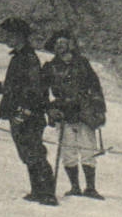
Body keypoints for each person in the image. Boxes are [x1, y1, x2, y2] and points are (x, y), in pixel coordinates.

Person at [0, 17, 57, 205]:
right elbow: (14, 86)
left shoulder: (28, 58)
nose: (7, 38)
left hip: (28, 114)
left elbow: (33, 88)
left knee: (34, 152)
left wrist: (25, 111)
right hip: (20, 112)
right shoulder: (19, 57)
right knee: (27, 153)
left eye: (10, 34)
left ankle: (48, 193)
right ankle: (37, 190)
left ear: (20, 36)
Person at [42, 29, 107, 199]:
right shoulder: (50, 67)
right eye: (57, 44)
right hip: (63, 111)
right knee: (68, 150)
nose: (60, 46)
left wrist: (99, 109)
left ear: (70, 44)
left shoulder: (82, 63)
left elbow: (95, 86)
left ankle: (90, 188)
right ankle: (75, 186)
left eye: (63, 42)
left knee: (88, 148)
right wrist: (49, 109)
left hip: (85, 110)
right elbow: (42, 91)